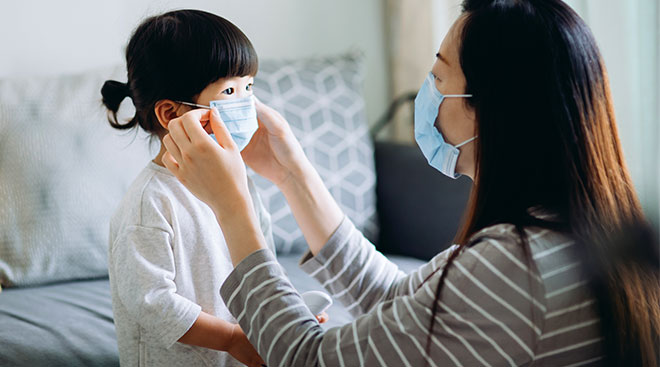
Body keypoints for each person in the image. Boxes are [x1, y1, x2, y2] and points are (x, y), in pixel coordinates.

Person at [161, 0, 660, 366]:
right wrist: (292, 174)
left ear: (491, 109)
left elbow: (308, 359)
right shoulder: (575, 232)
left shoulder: (513, 268)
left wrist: (232, 207)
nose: (427, 92)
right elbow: (403, 311)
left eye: (439, 78)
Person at [100, 10, 273, 367]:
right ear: (171, 114)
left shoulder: (241, 182)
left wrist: (285, 322)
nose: (246, 104)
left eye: (249, 87)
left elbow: (262, 263)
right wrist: (232, 339)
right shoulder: (151, 203)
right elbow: (152, 301)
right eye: (229, 90)